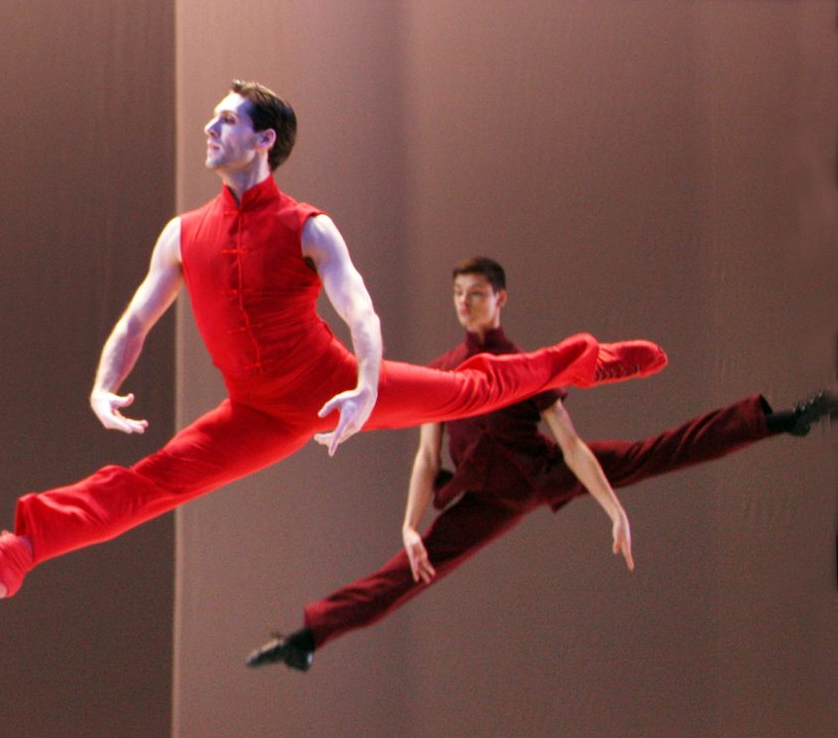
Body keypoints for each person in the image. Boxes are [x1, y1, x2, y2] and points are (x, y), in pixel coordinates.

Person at [0, 83, 667, 599]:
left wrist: (367, 388)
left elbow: (361, 312)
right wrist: (101, 384)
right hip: (255, 413)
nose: (210, 128)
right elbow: (135, 322)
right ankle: (18, 549)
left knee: (475, 387)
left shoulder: (307, 226)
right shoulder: (183, 234)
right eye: (211, 118)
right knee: (153, 480)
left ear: (264, 139)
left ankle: (587, 359)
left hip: (331, 386)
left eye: (226, 119)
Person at [245, 256, 833, 670]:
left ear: (500, 299)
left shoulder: (525, 366)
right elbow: (426, 455)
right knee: (407, 570)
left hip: (546, 473)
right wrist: (410, 525)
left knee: (657, 452)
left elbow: (571, 445)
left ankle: (779, 420)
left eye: (476, 293)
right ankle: (307, 638)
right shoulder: (441, 370)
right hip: (486, 495)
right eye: (458, 294)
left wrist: (614, 510)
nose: (465, 303)